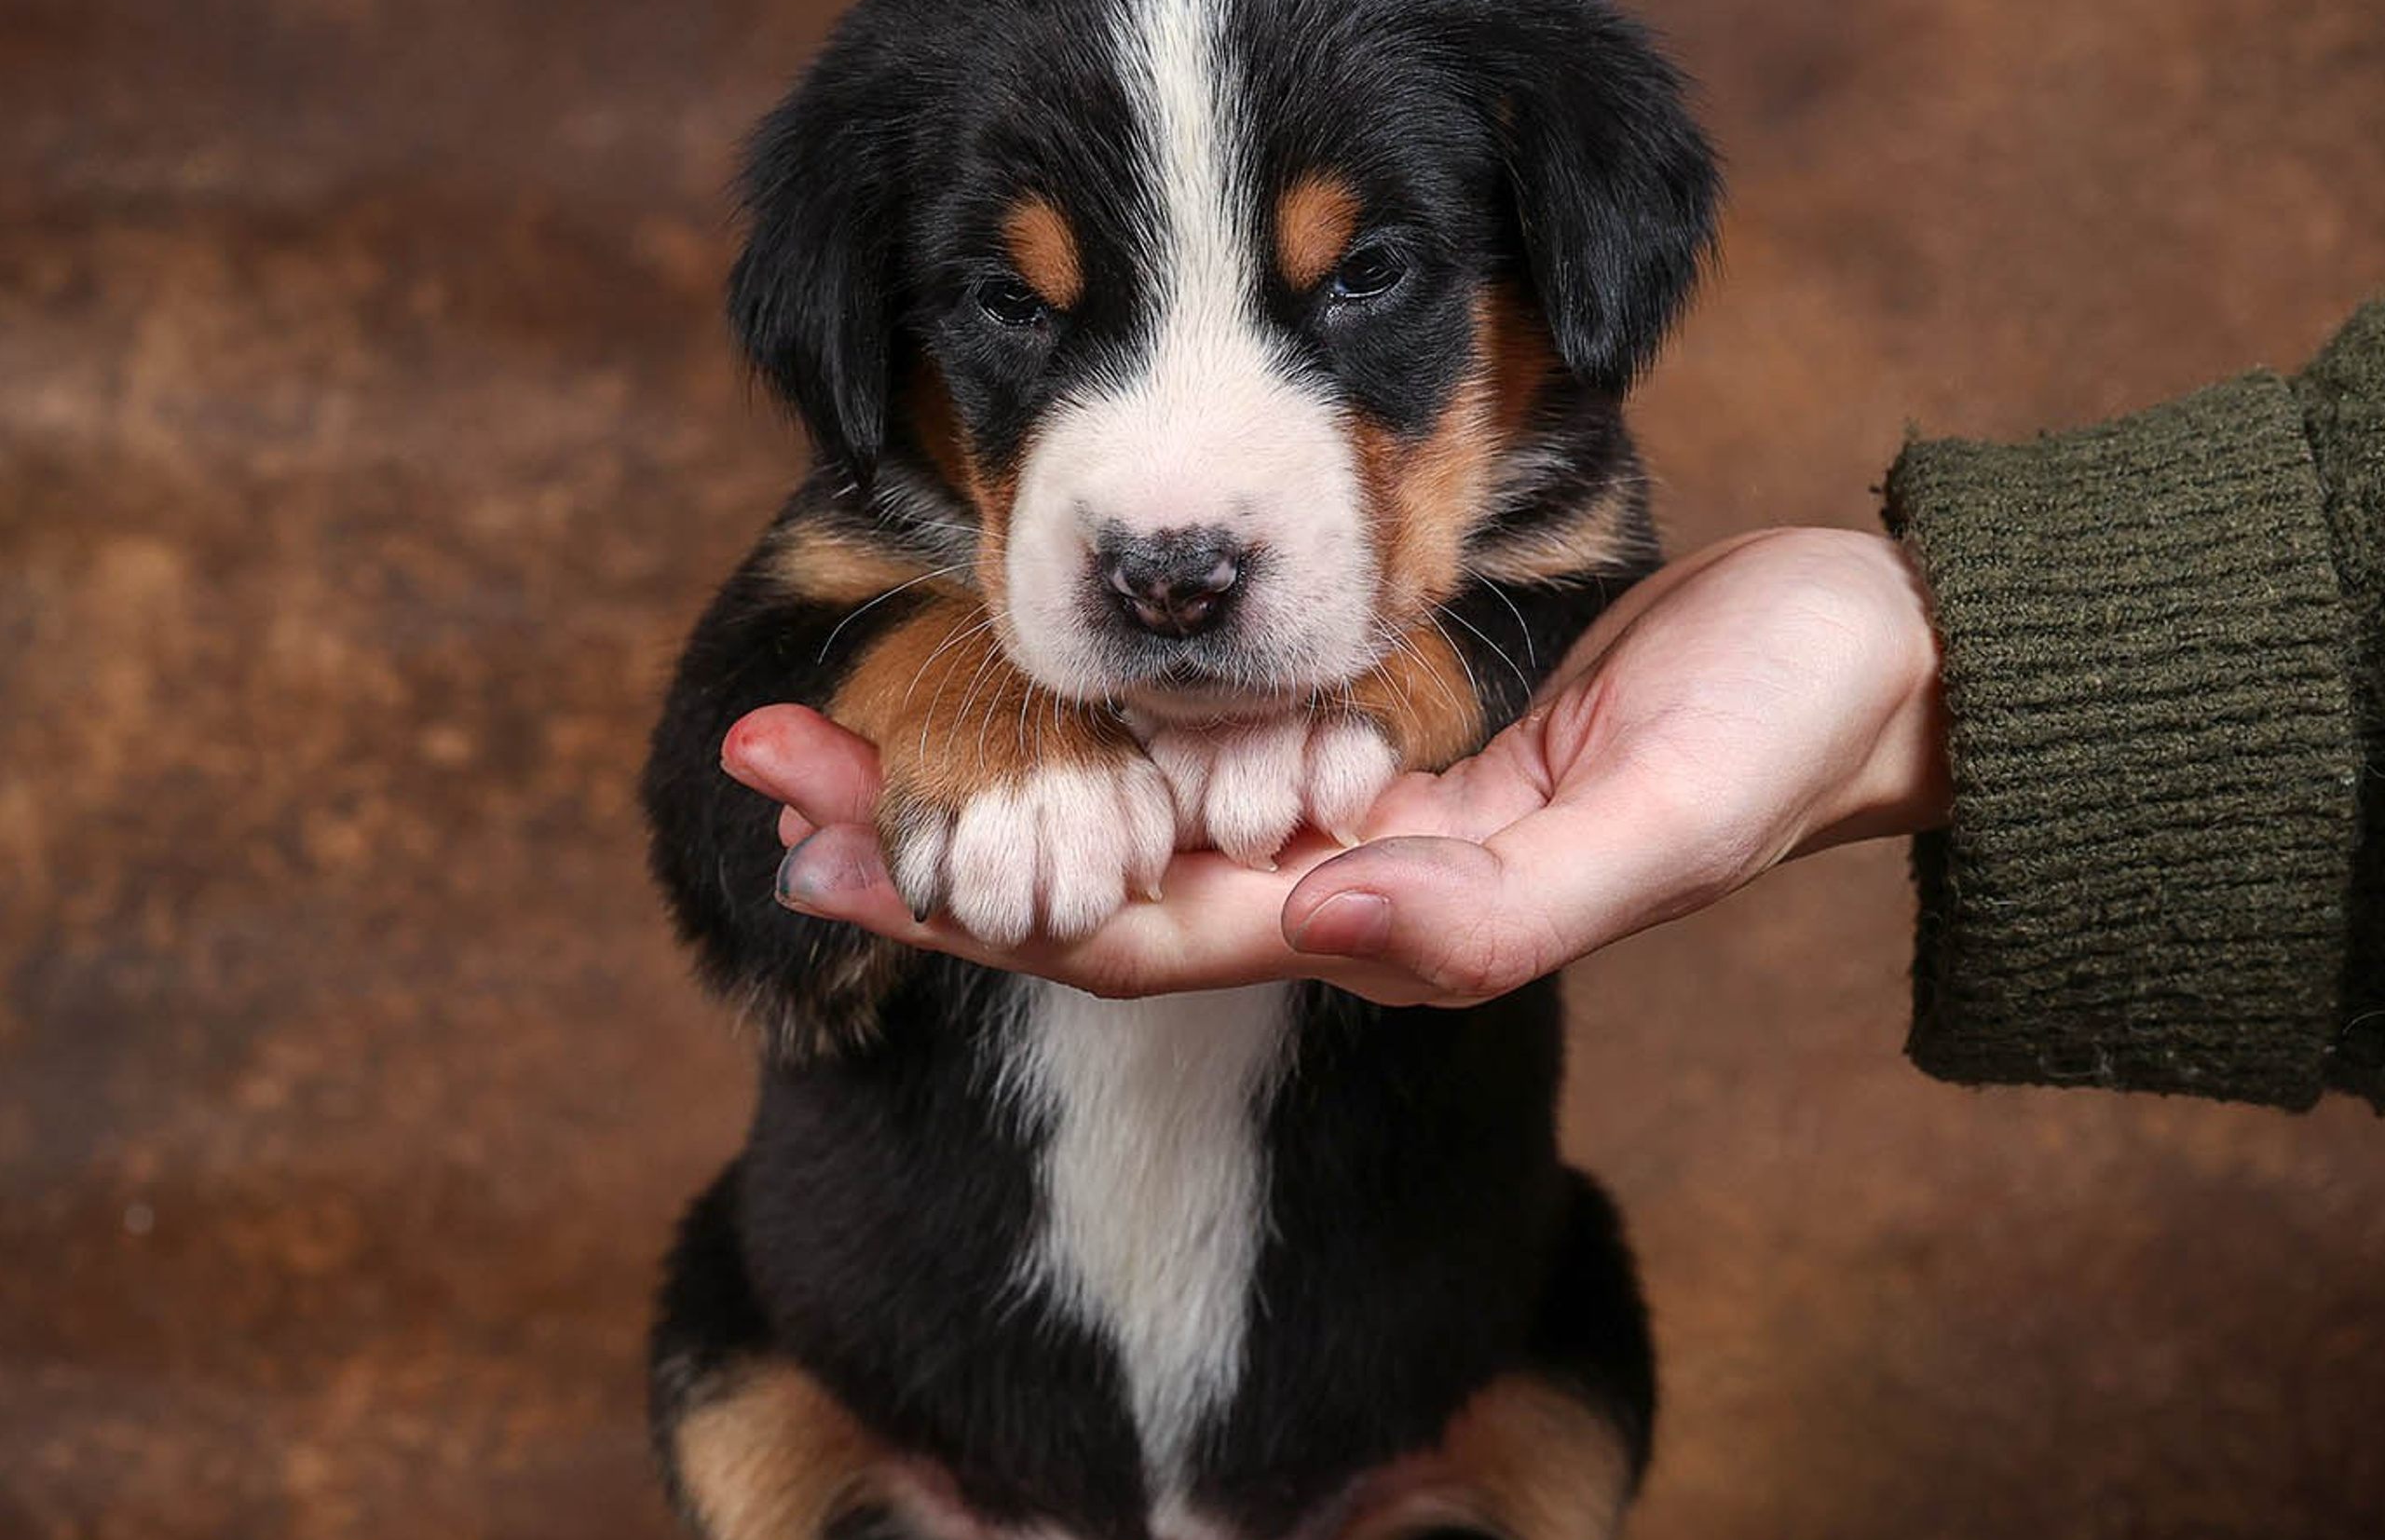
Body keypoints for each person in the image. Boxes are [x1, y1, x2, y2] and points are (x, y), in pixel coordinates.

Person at [733, 303, 2383, 1112]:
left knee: (1570, 1329)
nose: (1173, 522)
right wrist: (950, 715)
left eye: (1368, 275)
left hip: (1396, 1392)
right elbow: (751, 923)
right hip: (925, 1374)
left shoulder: (1520, 522)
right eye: (1017, 310)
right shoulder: (905, 522)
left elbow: (1556, 614)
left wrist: (1405, 679)